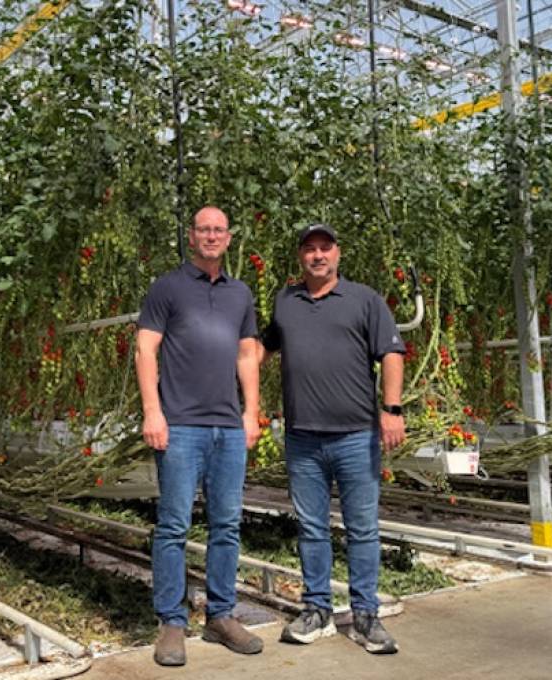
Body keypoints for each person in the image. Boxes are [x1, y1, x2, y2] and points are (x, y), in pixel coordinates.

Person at [260, 223, 406, 654]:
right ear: (300, 257)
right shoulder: (285, 301)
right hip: (302, 437)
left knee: (362, 528)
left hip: (356, 437)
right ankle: (317, 610)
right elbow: (260, 350)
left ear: (338, 254)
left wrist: (392, 410)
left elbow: (392, 354)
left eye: (325, 248)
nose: (317, 255)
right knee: (311, 527)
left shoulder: (365, 300)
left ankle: (365, 616)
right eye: (309, 249)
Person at [135, 206, 263, 667]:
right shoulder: (167, 287)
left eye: (219, 230)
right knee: (174, 526)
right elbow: (146, 349)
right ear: (192, 236)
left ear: (229, 238)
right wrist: (153, 411)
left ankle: (220, 615)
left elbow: (247, 354)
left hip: (228, 426)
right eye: (203, 229)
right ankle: (172, 620)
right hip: (181, 425)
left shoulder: (240, 293)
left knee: (227, 524)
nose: (211, 236)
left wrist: (251, 412)